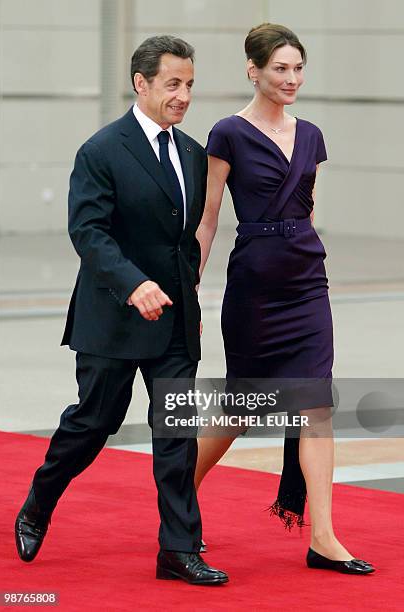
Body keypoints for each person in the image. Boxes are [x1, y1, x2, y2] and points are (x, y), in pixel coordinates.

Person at [14, 35, 228, 586]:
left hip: (176, 318)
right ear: (142, 83)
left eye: (190, 85)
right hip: (113, 315)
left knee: (176, 433)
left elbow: (185, 238)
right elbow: (88, 232)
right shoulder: (101, 150)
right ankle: (39, 502)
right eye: (173, 84)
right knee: (94, 423)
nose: (183, 95)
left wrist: (190, 296)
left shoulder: (192, 153)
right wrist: (135, 286)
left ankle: (177, 550)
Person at [194, 23, 374, 575]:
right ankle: (178, 497)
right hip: (253, 286)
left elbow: (308, 208)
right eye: (280, 68)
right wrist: (190, 287)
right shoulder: (226, 133)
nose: (291, 78)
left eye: (297, 68)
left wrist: (305, 257)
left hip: (306, 284)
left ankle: (323, 537)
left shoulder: (313, 135)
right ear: (254, 70)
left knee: (315, 405)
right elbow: (207, 220)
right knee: (242, 408)